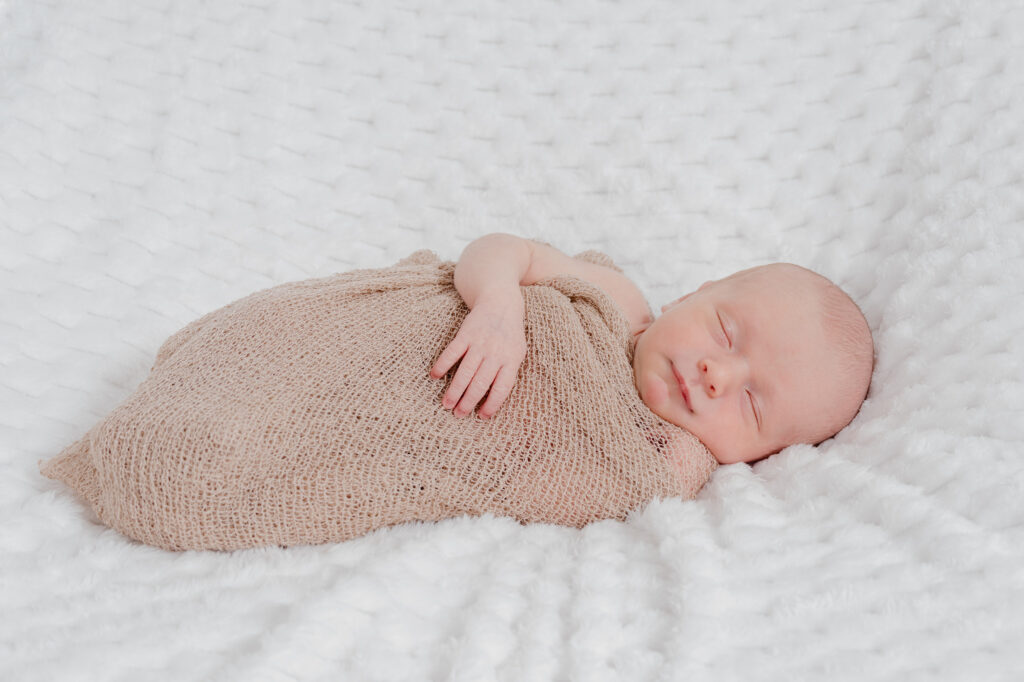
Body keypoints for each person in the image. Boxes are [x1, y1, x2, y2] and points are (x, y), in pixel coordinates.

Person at [430, 232, 874, 466]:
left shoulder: (663, 465)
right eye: (724, 332)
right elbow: (506, 250)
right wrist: (497, 304)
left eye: (752, 404)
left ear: (763, 457)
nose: (718, 376)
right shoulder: (617, 303)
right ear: (688, 298)